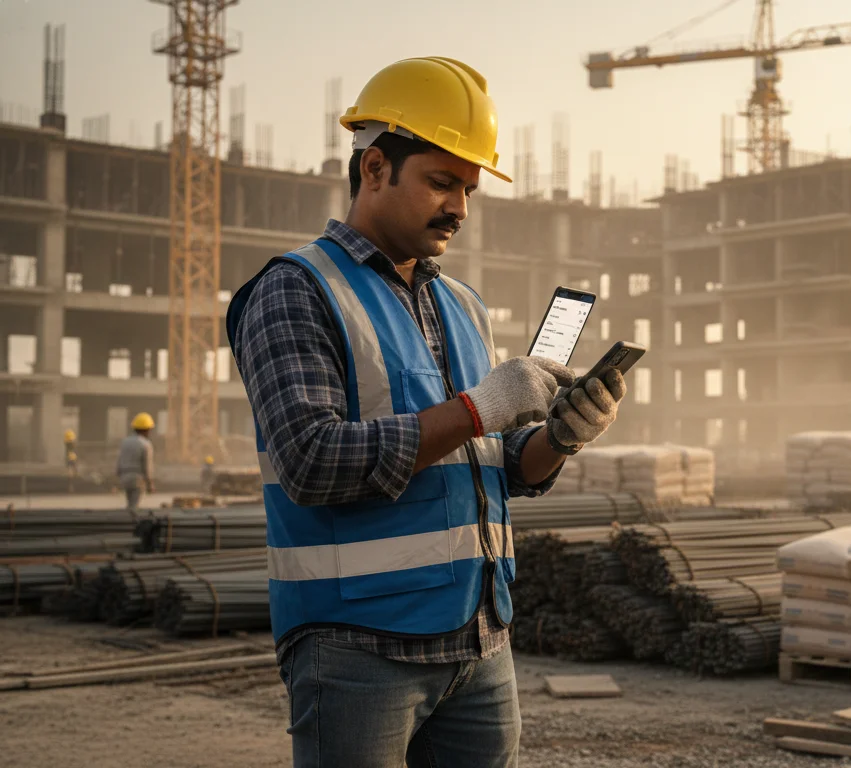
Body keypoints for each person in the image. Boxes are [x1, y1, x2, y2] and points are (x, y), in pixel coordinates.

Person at [226, 57, 625, 768]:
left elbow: (495, 468)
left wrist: (559, 438)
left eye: (469, 189)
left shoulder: (462, 305)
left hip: (478, 641)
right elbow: (312, 462)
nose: (460, 209)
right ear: (374, 168)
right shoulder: (295, 291)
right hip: (357, 648)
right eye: (441, 182)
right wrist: (480, 408)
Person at [116, 413, 155, 511]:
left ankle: (127, 519)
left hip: (124, 477)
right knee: (134, 506)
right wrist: (150, 484)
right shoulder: (146, 444)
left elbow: (119, 461)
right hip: (137, 479)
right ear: (146, 430)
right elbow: (147, 466)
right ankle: (131, 523)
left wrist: (118, 478)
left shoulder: (125, 442)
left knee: (130, 504)